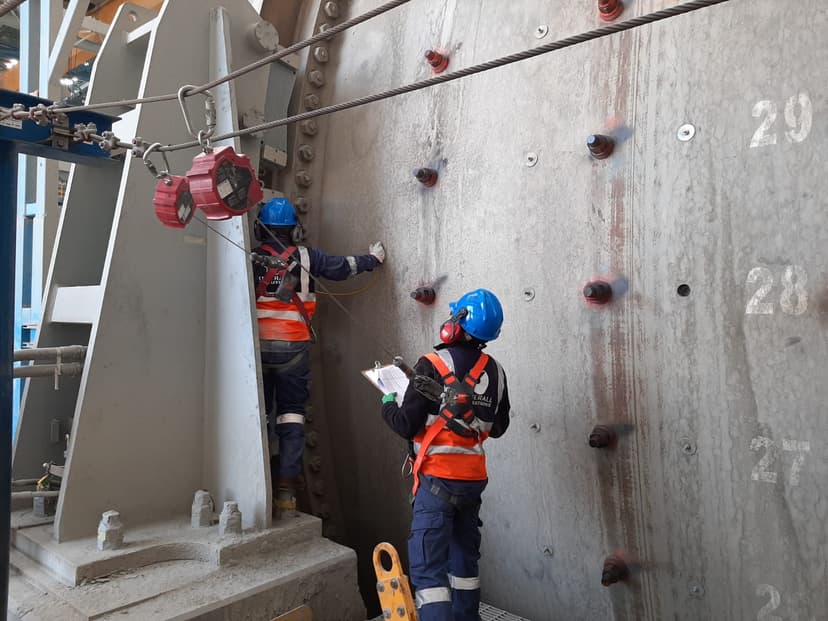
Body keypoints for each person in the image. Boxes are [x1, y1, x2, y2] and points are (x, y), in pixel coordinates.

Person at [380, 289, 510, 621]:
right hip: (472, 483)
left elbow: (407, 426)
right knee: (465, 563)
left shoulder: (432, 364)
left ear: (458, 323)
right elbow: (498, 428)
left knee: (428, 575)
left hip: (437, 482)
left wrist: (387, 404)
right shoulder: (495, 371)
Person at [253, 196, 385, 516]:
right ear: (295, 231)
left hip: (256, 353)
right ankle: (286, 491)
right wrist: (374, 258)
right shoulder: (307, 258)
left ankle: (257, 483)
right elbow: (343, 267)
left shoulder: (251, 259)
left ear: (260, 229)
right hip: (293, 353)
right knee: (291, 415)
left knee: (259, 413)